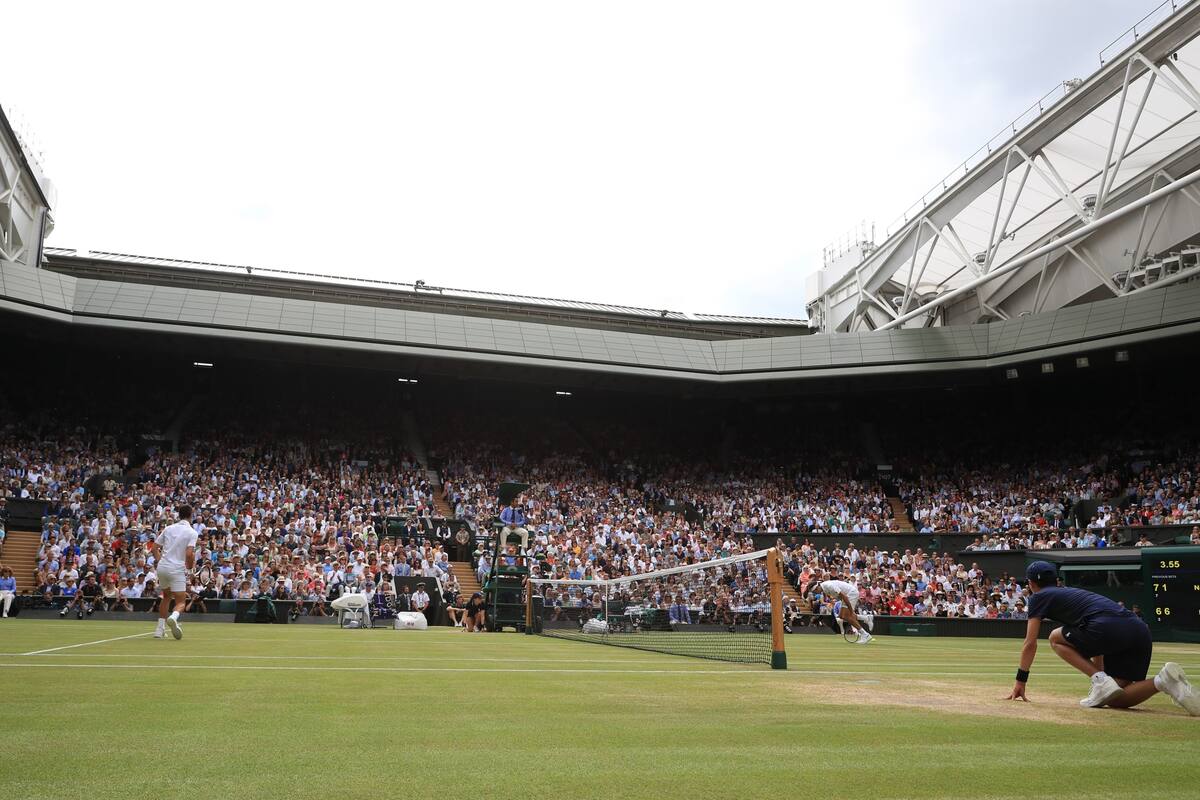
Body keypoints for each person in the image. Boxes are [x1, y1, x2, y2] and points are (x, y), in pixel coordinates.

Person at [1006, 561, 1198, 714]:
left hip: (1107, 628)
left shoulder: (1038, 597)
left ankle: (1100, 680)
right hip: (1139, 631)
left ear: (1030, 584)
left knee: (1055, 637)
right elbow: (1098, 645)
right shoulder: (1073, 595)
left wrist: (1020, 681)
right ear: (1056, 581)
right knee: (1115, 698)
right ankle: (1163, 681)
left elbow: (1030, 643)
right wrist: (1102, 680)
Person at [150, 504, 198, 640]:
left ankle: (159, 630)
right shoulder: (192, 533)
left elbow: (154, 549)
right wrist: (189, 568)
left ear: (179, 515)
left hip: (162, 568)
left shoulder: (168, 528)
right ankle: (174, 616)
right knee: (181, 601)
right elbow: (189, 554)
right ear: (191, 516)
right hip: (176, 569)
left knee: (166, 597)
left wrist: (161, 562)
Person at [808, 573, 873, 644]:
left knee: (847, 616)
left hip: (851, 593)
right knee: (842, 616)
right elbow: (840, 597)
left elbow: (844, 597)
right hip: (847, 595)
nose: (815, 593)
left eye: (815, 591)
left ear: (817, 588)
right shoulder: (824, 588)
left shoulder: (829, 586)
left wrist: (851, 611)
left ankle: (865, 635)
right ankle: (866, 618)